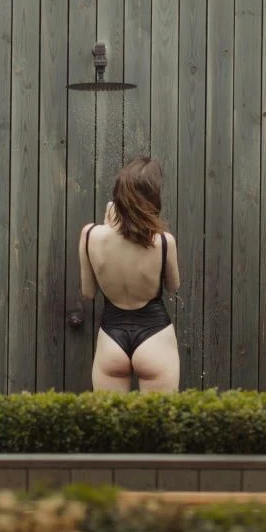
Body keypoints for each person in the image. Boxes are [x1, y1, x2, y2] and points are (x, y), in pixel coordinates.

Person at [78, 156, 181, 393]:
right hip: (155, 336)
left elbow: (88, 291)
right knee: (159, 423)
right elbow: (174, 286)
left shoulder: (89, 234)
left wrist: (106, 227)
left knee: (111, 424)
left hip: (111, 338)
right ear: (153, 200)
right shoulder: (164, 241)